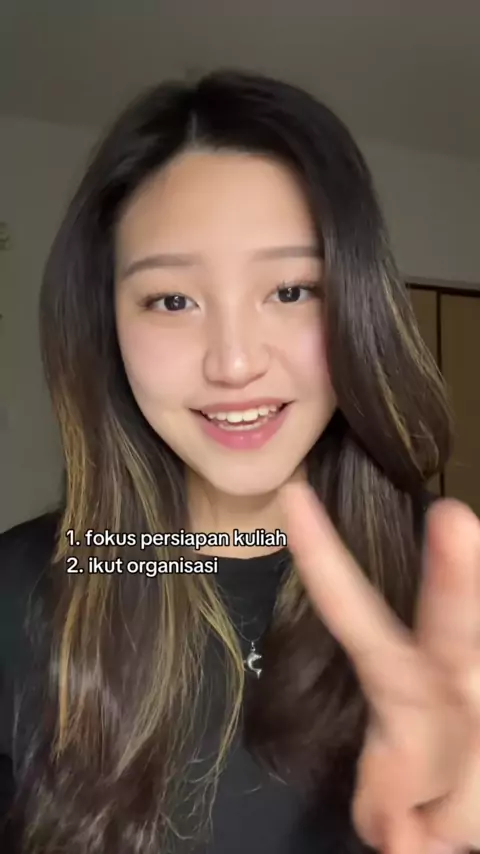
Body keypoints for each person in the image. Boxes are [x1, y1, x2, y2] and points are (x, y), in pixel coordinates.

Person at [0, 69, 479, 854]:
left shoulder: (457, 596)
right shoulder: (18, 589)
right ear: (106, 326)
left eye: (290, 291)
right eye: (173, 300)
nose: (233, 363)